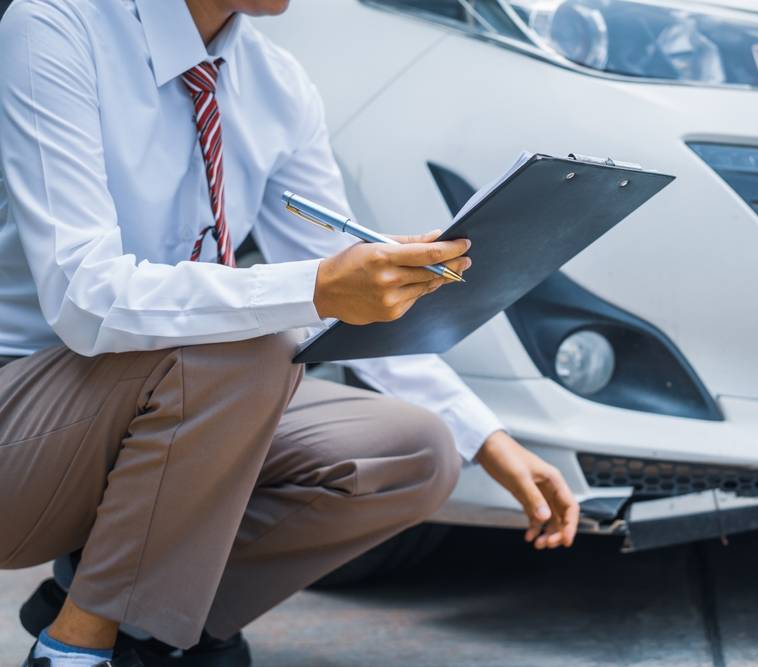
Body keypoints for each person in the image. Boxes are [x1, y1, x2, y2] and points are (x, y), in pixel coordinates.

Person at [0, 1, 581, 665]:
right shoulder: (55, 26)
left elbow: (338, 293)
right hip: (23, 419)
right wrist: (314, 286)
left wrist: (487, 436)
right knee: (248, 339)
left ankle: (151, 628)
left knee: (414, 452)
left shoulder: (276, 84)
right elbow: (85, 298)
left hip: (165, 399)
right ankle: (77, 644)